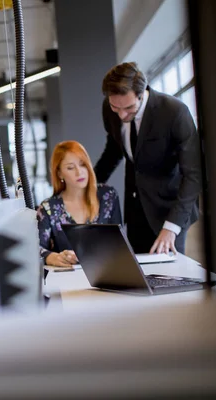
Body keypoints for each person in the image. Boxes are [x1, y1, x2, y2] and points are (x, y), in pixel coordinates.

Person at [93, 62, 201, 255]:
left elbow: (193, 175)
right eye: (115, 107)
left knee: (170, 277)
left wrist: (172, 226)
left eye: (129, 108)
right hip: (136, 209)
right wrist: (86, 187)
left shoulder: (174, 112)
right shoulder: (110, 109)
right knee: (141, 276)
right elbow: (113, 152)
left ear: (141, 94)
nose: (122, 114)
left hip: (170, 209)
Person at [37, 141, 122, 268]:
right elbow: (36, 249)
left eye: (83, 165)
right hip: (69, 279)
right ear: (59, 173)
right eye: (70, 168)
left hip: (108, 273)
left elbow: (119, 244)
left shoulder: (108, 196)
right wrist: (51, 257)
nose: (79, 172)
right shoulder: (49, 208)